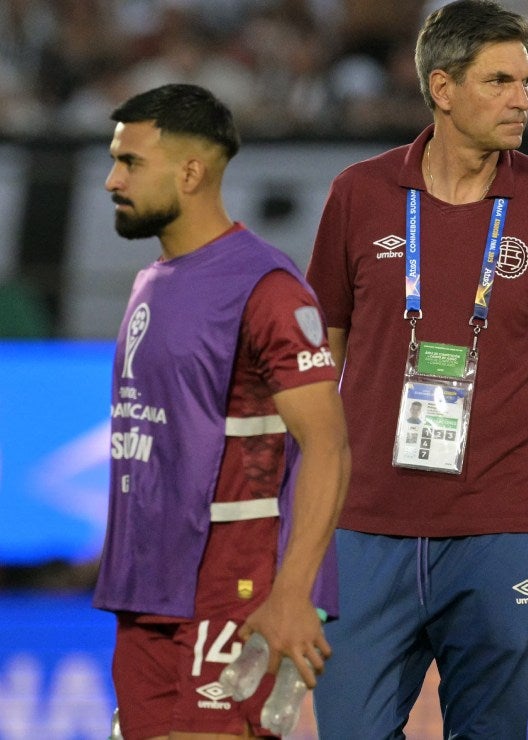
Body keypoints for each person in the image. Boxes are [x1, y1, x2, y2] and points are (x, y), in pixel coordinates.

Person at [304, 1, 528, 737]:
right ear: (442, 88)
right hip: (366, 525)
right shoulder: (358, 193)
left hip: (503, 529)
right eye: (500, 81)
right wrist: (304, 513)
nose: (522, 99)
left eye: (527, 81)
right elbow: (320, 363)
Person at [92, 83, 348, 739]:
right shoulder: (152, 281)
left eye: (130, 163)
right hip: (147, 590)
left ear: (190, 172)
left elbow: (327, 445)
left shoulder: (266, 287)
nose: (112, 181)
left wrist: (295, 592)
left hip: (234, 583)